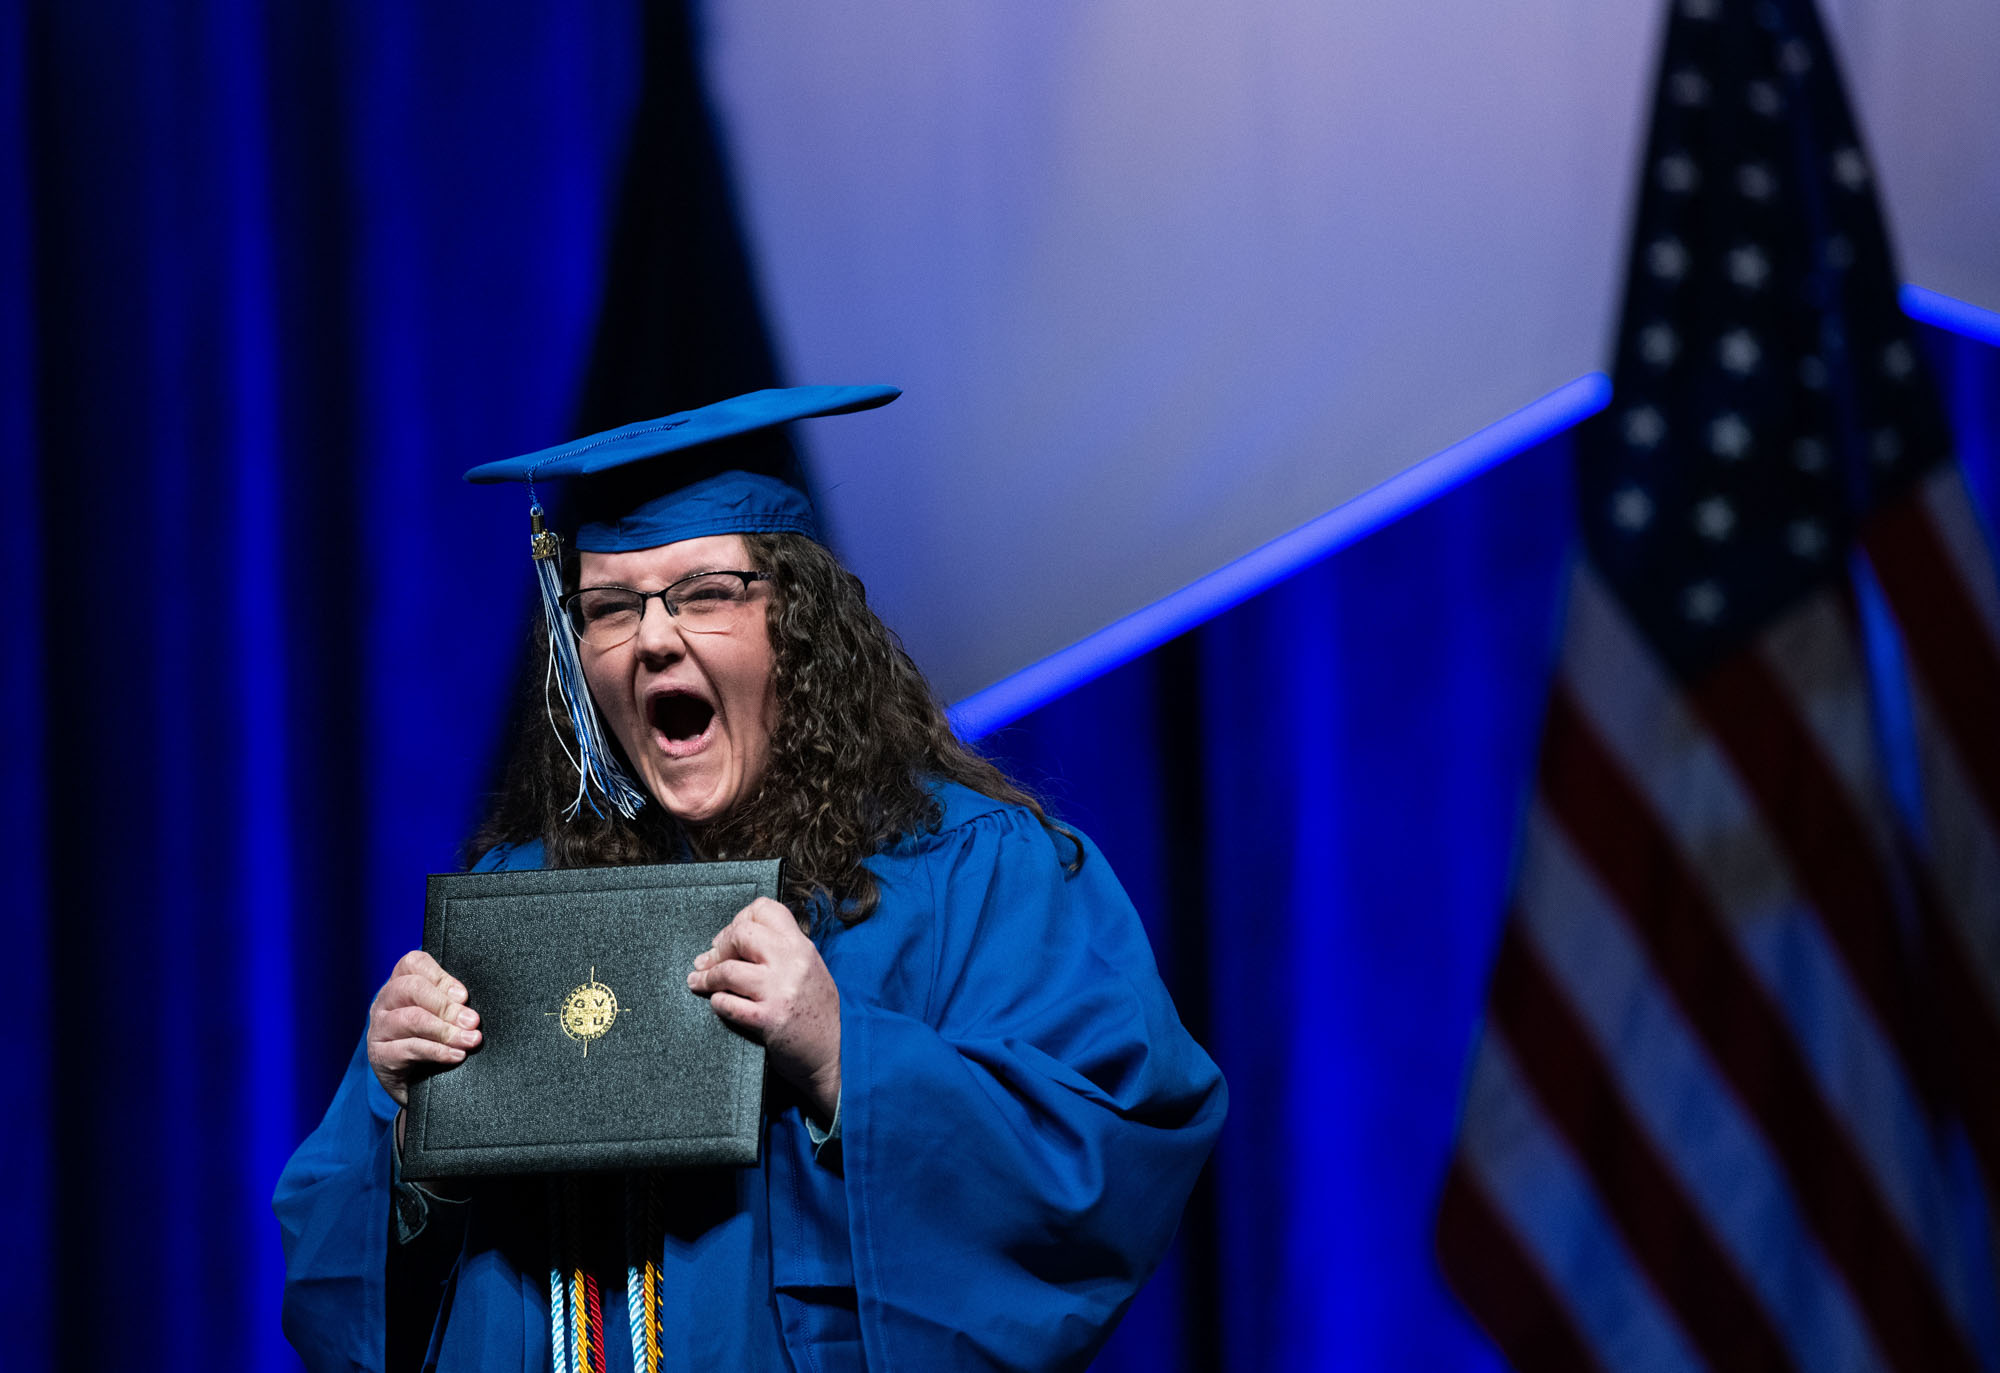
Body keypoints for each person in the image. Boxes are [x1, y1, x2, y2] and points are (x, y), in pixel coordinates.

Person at [274, 387, 1227, 1373]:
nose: (650, 639)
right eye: (607, 607)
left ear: (798, 623)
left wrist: (846, 1054)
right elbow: (332, 1295)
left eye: (702, 593)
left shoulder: (973, 870)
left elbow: (1109, 1157)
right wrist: (400, 1122)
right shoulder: (519, 902)